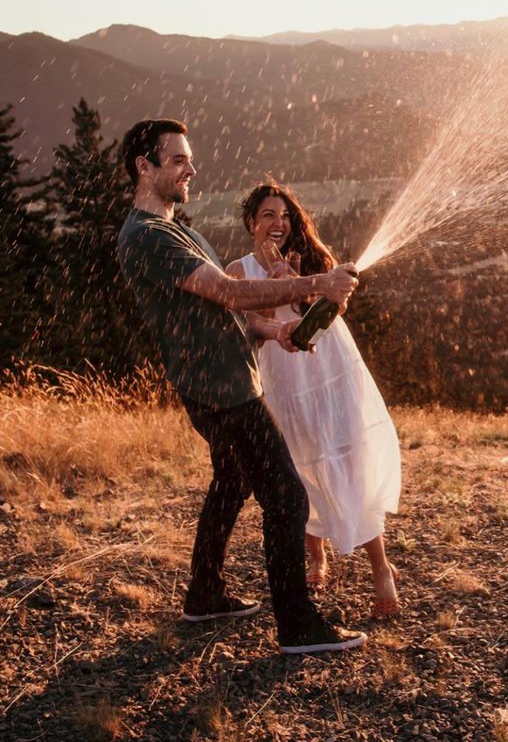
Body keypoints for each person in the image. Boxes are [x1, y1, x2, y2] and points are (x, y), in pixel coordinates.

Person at [116, 118, 367, 655]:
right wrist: (319, 282)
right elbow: (228, 292)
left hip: (217, 382)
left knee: (231, 483)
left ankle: (204, 594)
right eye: (178, 159)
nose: (191, 168)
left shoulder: (174, 227)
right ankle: (298, 625)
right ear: (145, 166)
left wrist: (276, 329)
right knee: (287, 499)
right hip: (224, 391)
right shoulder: (148, 237)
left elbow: (218, 310)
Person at [225, 183, 401, 619]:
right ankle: (316, 554)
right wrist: (275, 287)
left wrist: (308, 290)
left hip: (329, 369)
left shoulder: (311, 259)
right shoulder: (239, 269)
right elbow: (255, 325)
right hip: (284, 376)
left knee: (348, 458)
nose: (277, 223)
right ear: (252, 223)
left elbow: (332, 312)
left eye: (284, 215)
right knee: (300, 464)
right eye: (267, 215)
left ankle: (382, 568)